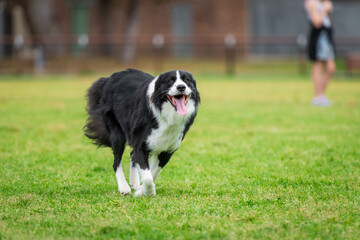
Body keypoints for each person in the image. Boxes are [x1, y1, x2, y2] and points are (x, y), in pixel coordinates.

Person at [304, 0, 336, 106]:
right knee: (317, 65)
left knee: (331, 68)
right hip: (319, 36)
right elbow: (316, 22)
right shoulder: (312, 2)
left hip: (326, 35)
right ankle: (318, 97)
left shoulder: (323, 2)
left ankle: (320, 95)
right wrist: (325, 10)